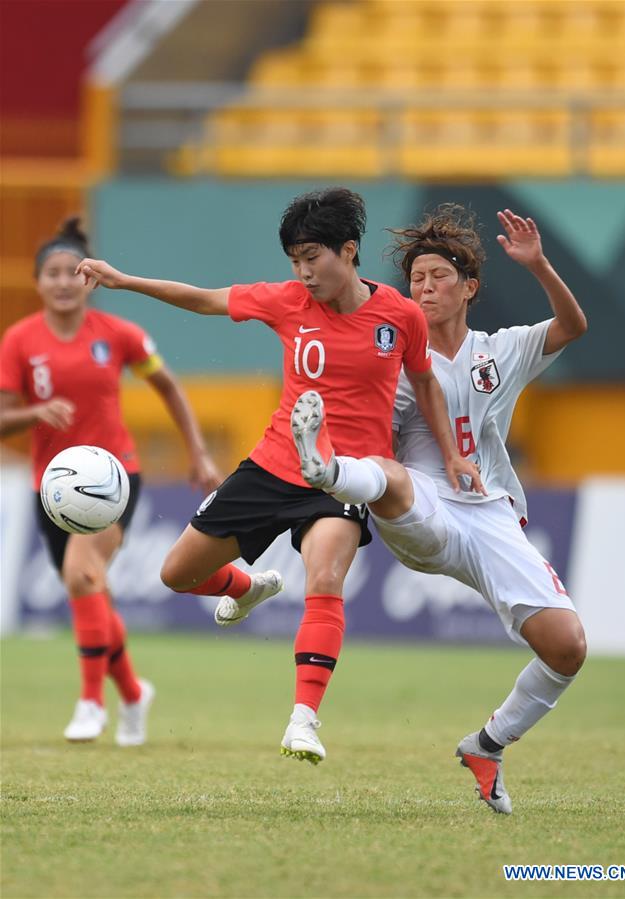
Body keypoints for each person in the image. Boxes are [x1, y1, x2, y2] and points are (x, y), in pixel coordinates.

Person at [74, 187, 482, 764]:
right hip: (271, 467)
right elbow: (204, 300)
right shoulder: (286, 301)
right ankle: (249, 587)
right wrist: (124, 280)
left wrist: (455, 455)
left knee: (324, 579)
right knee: (175, 574)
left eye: (313, 256)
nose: (303, 271)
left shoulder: (400, 315)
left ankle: (303, 720)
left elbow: (427, 387)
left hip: (343, 476)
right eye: (295, 259)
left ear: (349, 250)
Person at [287, 205, 588, 813]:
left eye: (437, 277)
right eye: (416, 280)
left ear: (469, 287)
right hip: (421, 506)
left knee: (567, 645)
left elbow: (573, 325)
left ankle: (487, 745)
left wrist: (539, 265)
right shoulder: (394, 359)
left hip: (491, 513)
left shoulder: (500, 350)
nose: (423, 289)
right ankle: (326, 470)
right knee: (394, 476)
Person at [0, 217, 223, 745]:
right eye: (51, 273)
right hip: (50, 488)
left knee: (82, 573)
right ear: (38, 282)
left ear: (88, 279)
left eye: (70, 272)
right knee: (88, 587)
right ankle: (132, 693)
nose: (61, 282)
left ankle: (90, 703)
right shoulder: (19, 340)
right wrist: (36, 412)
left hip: (113, 476)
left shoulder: (119, 335)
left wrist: (197, 452)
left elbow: (168, 387)